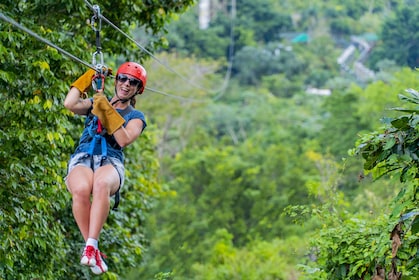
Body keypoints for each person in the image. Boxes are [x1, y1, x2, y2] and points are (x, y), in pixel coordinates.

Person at [64, 62, 147, 275]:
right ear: (116, 80)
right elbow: (70, 104)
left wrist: (106, 108)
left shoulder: (136, 117)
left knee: (101, 184)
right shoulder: (95, 102)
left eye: (133, 82)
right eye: (123, 79)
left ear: (138, 89)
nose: (126, 84)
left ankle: (91, 245)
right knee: (81, 189)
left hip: (110, 160)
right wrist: (89, 76)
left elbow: (123, 139)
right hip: (84, 155)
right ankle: (93, 249)